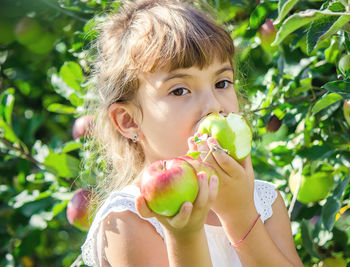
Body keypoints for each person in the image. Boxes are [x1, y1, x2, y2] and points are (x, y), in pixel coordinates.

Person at [81, 0, 303, 266]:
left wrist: (241, 216)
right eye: (179, 90)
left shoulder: (264, 202)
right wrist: (184, 237)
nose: (213, 106)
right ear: (128, 121)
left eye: (222, 83)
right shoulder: (130, 219)